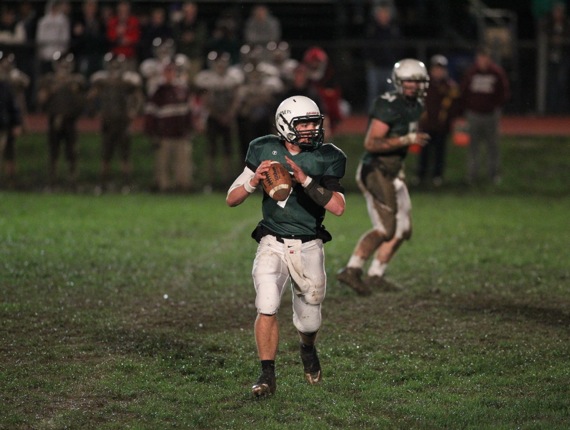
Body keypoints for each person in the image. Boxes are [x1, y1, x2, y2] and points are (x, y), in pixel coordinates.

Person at [226, 95, 346, 397]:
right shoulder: (263, 148)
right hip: (272, 240)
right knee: (266, 304)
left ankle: (307, 348)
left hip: (308, 244)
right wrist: (253, 180)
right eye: (303, 124)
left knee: (309, 320)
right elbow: (232, 198)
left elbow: (338, 207)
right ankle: (267, 374)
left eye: (313, 123)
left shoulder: (327, 156)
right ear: (284, 125)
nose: (310, 129)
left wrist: (305, 180)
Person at [337, 58, 430, 296]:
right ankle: (351, 269)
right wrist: (406, 140)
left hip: (393, 170)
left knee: (403, 229)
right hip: (376, 170)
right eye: (407, 81)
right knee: (385, 229)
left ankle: (376, 273)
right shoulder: (387, 105)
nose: (412, 86)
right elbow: (371, 143)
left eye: (416, 81)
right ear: (398, 82)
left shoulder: (417, 105)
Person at [88, 52, 143, 193]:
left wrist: (133, 111)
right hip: (108, 121)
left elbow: (138, 97)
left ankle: (126, 184)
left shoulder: (127, 82)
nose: (114, 68)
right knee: (106, 156)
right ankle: (103, 184)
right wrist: (95, 111)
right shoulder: (102, 82)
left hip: (122, 121)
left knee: (124, 156)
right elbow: (91, 97)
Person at [460, 46, 510, 185]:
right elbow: (463, 91)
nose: (482, 61)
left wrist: (494, 106)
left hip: (491, 115)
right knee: (473, 146)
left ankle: (493, 174)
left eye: (485, 58)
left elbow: (503, 92)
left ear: (489, 59)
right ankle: (472, 174)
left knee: (493, 146)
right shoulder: (471, 73)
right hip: (474, 114)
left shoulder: (496, 73)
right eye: (480, 58)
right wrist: (468, 108)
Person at [36, 52, 87, 189]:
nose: (64, 67)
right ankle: (52, 180)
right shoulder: (49, 80)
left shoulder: (76, 80)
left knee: (72, 152)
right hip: (54, 119)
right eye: (61, 63)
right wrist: (52, 89)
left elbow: (83, 101)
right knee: (53, 151)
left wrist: (73, 88)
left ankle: (72, 180)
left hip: (70, 120)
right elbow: (41, 99)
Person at [194, 51, 243, 190]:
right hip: (213, 117)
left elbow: (236, 98)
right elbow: (205, 100)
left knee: (228, 150)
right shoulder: (206, 78)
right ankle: (210, 180)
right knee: (211, 150)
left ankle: (227, 179)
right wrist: (217, 115)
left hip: (228, 117)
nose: (220, 66)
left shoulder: (233, 77)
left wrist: (230, 114)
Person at [144, 60, 194, 193]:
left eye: (171, 71)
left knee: (183, 163)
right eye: (166, 71)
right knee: (163, 163)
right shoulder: (158, 91)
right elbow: (151, 113)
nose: (169, 74)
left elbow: (188, 111)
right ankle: (164, 187)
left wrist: (190, 129)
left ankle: (182, 186)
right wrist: (152, 132)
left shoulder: (182, 89)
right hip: (164, 134)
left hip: (181, 133)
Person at [414, 54, 462, 187]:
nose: (438, 71)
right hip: (427, 125)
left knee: (440, 152)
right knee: (424, 152)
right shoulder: (424, 85)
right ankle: (421, 175)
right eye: (436, 68)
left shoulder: (450, 86)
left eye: (441, 69)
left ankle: (437, 176)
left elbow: (455, 106)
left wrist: (448, 117)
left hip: (441, 126)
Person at [363, 4, 404, 109]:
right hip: (375, 67)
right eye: (381, 14)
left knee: (391, 95)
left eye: (385, 14)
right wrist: (370, 61)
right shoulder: (372, 30)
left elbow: (399, 48)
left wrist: (394, 60)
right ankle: (373, 115)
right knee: (373, 94)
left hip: (390, 67)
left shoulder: (394, 30)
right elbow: (367, 48)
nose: (383, 16)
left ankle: (391, 115)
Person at [541, 2, 570, 113]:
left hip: (564, 56)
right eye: (556, 12)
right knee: (552, 82)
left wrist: (562, 40)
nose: (557, 14)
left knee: (562, 81)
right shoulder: (548, 23)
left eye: (559, 12)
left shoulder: (567, 24)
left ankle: (562, 108)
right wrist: (552, 40)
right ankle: (552, 109)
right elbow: (544, 35)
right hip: (551, 57)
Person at [70, 0, 108, 79]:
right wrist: (79, 34)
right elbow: (73, 41)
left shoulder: (100, 22)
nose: (91, 8)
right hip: (82, 55)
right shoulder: (78, 22)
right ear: (84, 7)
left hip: (97, 56)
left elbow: (104, 39)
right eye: (89, 5)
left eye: (93, 6)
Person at [35, 0, 71, 76]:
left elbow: (65, 37)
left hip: (59, 55)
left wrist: (62, 52)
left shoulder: (63, 20)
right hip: (45, 55)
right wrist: (41, 52)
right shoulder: (43, 21)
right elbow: (40, 37)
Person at [0, 74, 22, 188]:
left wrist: (16, 123)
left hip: (3, 126)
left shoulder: (5, 87)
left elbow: (13, 106)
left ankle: (9, 180)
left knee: (7, 153)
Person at [106, 0, 140, 70]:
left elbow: (136, 38)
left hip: (130, 56)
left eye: (125, 11)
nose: (123, 14)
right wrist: (118, 35)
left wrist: (127, 40)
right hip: (115, 57)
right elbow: (110, 38)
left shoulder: (134, 21)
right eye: (121, 11)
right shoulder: (112, 22)